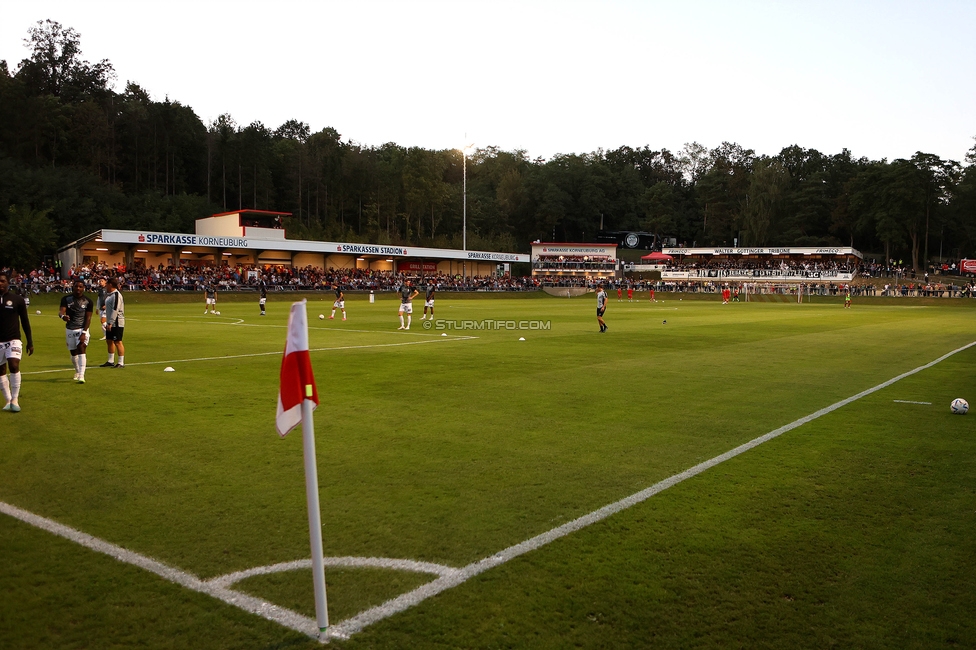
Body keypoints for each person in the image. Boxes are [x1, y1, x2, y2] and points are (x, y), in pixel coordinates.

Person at [0, 272, 34, 412]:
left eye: (2, 281)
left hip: (14, 339)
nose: (0, 284)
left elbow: (25, 321)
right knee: (1, 370)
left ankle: (15, 399)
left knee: (14, 365)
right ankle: (8, 400)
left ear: (8, 282)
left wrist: (30, 341)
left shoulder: (17, 299)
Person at [59, 280, 93, 383]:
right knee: (73, 353)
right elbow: (61, 311)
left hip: (81, 329)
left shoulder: (88, 301)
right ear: (73, 287)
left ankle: (82, 376)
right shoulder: (66, 299)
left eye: (80, 287)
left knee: (81, 348)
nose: (78, 288)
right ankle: (77, 371)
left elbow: (88, 318)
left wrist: (84, 332)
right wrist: (63, 317)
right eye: (76, 286)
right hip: (70, 329)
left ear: (83, 288)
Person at [101, 277, 126, 368]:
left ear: (110, 284)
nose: (106, 286)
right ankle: (110, 360)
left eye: (107, 284)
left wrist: (111, 322)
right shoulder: (110, 295)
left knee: (118, 341)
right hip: (110, 321)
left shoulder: (116, 295)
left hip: (117, 322)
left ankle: (121, 362)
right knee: (109, 340)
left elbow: (115, 309)